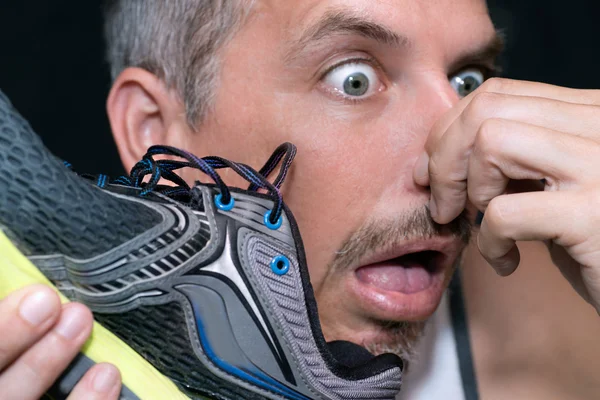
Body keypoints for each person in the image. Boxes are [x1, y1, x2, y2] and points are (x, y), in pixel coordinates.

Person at [2, 0, 600, 399]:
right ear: (156, 129)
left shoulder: (569, 326)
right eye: (354, 79)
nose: (460, 151)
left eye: (467, 80)